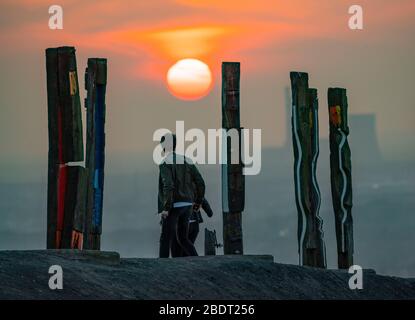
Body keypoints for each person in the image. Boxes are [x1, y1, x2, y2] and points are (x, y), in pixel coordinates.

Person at [158, 133, 205, 258]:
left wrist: (166, 208)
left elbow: (168, 185)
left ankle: (161, 266)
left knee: (165, 237)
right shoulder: (186, 160)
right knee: (183, 239)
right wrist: (198, 202)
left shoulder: (165, 163)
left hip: (175, 205)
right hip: (188, 204)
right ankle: (198, 261)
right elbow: (200, 182)